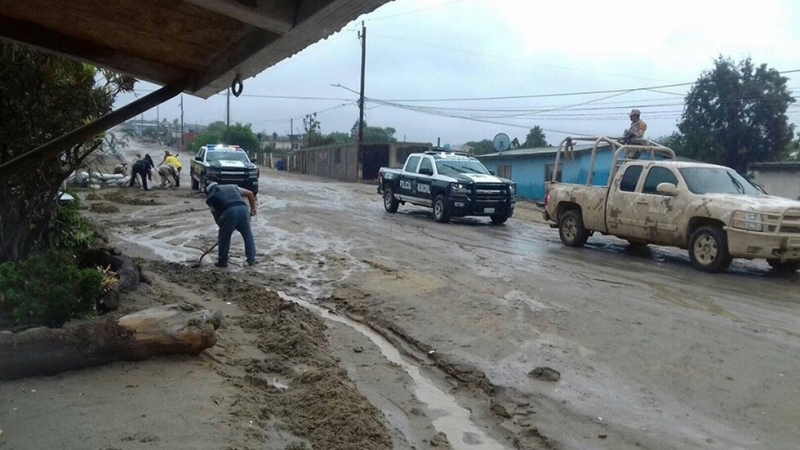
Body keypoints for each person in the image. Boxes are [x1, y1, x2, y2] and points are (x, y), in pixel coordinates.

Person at [204, 182, 258, 268]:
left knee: (224, 238)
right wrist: (253, 208)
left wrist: (223, 228)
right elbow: (250, 193)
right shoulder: (232, 187)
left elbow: (216, 217)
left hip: (228, 212)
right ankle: (251, 259)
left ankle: (222, 261)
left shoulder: (211, 198)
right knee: (247, 234)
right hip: (243, 209)